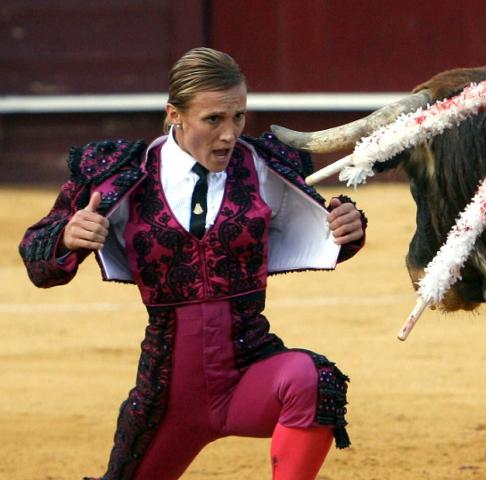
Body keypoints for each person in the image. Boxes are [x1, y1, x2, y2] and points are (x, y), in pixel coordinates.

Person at [19, 47, 366, 480]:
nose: (229, 135)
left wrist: (348, 225)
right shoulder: (122, 173)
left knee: (315, 381)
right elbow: (37, 254)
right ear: (175, 115)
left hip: (248, 370)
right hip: (167, 397)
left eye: (238, 116)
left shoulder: (264, 167)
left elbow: (325, 231)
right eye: (214, 119)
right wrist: (67, 236)